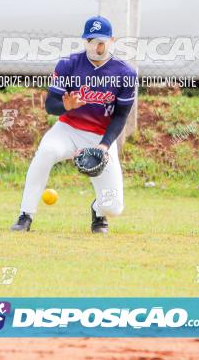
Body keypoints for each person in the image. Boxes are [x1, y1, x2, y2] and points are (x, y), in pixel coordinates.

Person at [10, 16, 137, 234]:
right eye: (91, 40)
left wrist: (105, 145)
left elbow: (121, 116)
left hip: (101, 137)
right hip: (67, 130)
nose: (96, 46)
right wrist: (65, 107)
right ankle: (25, 215)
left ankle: (98, 211)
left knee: (114, 207)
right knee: (46, 151)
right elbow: (51, 106)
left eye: (101, 41)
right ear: (84, 41)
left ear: (111, 41)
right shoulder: (69, 64)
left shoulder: (125, 74)